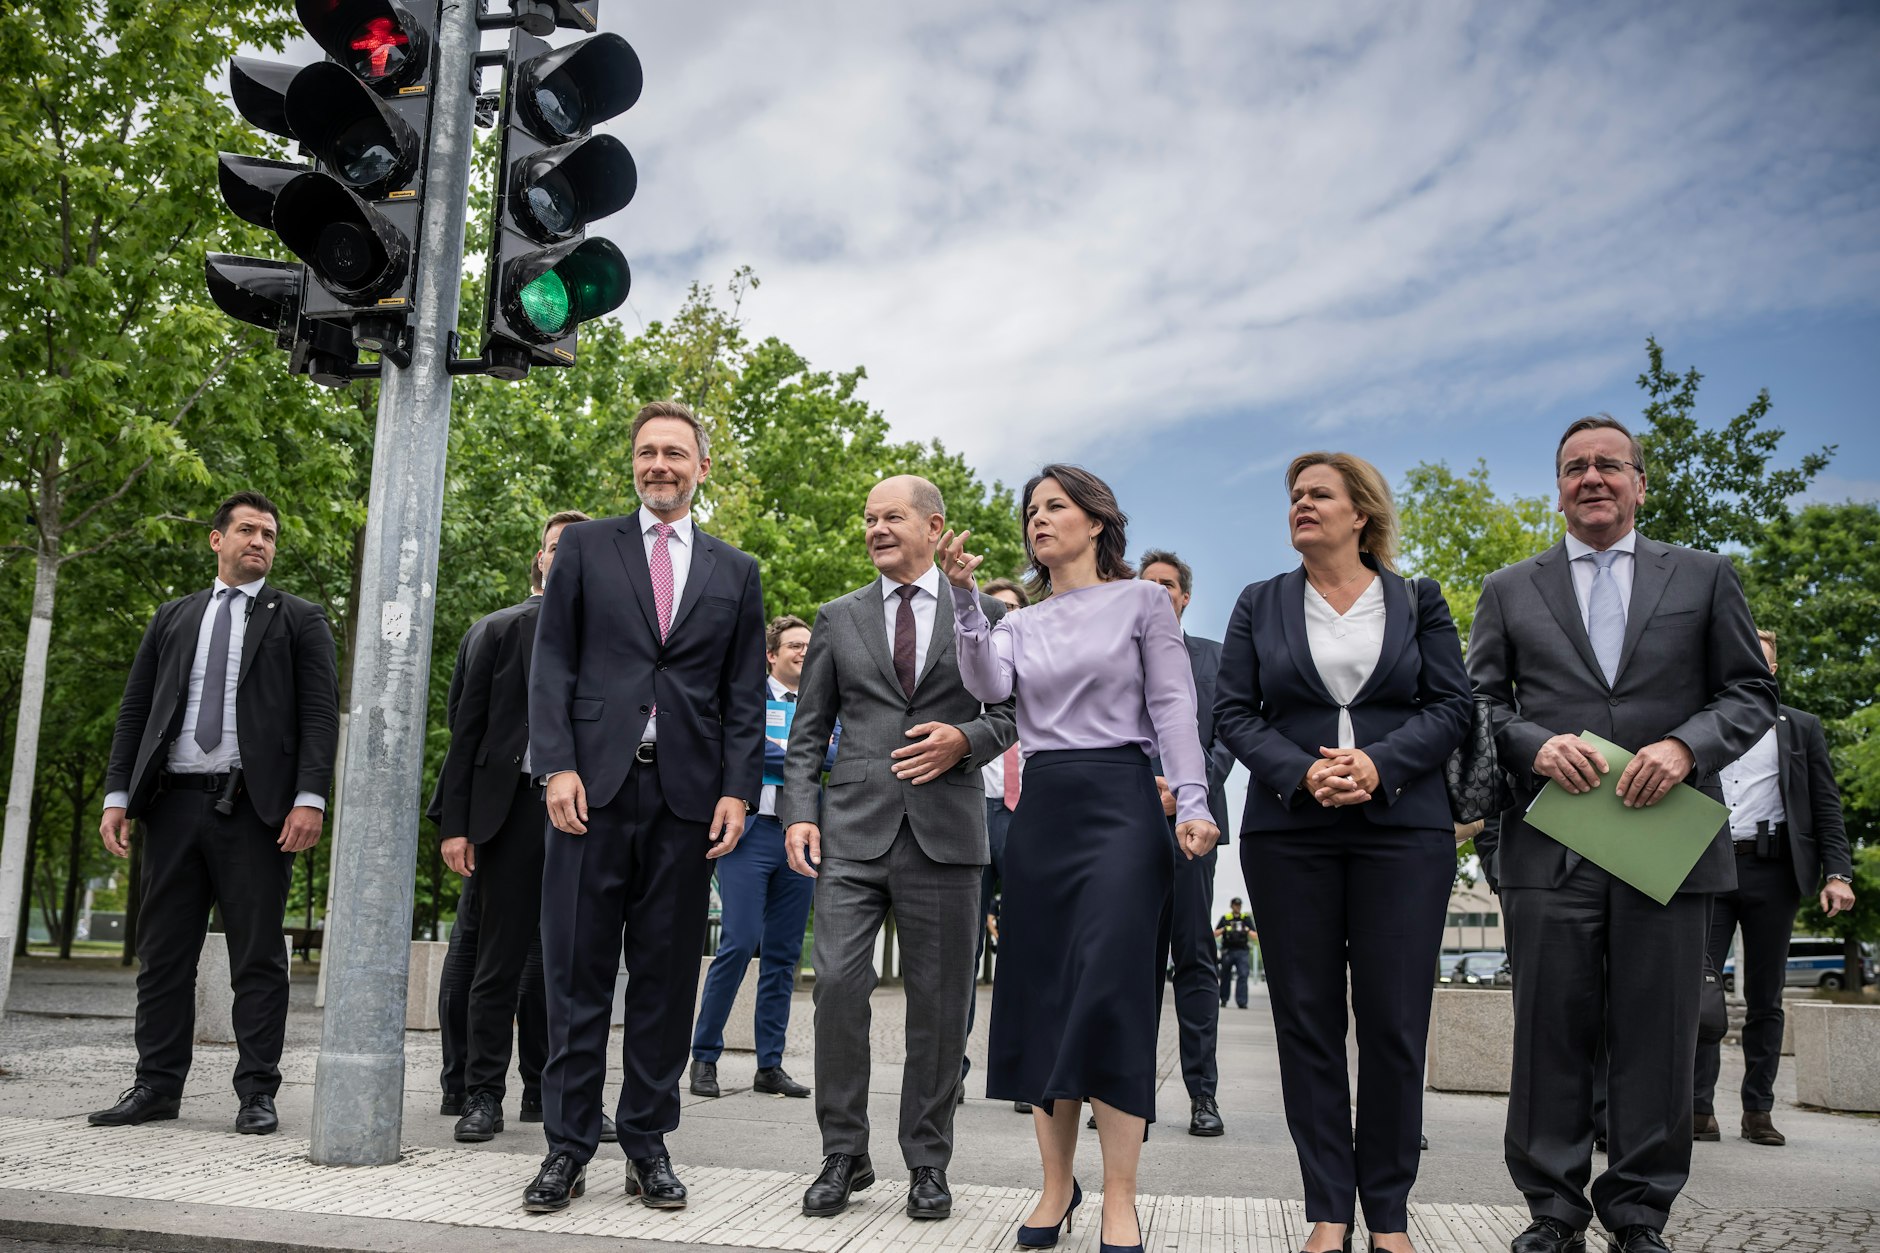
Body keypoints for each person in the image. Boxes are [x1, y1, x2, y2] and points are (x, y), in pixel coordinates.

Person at [1468, 414, 1776, 1253]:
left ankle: (1639, 1211)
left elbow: (1751, 694)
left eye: (1610, 464)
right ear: (1558, 486)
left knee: (1659, 1033)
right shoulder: (1508, 589)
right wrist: (1536, 743)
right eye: (1575, 467)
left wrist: (1685, 747)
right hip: (1549, 849)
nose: (1592, 477)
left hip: (1665, 846)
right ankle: (1552, 1209)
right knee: (1549, 1032)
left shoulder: (1708, 577)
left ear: (1641, 481)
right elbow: (1480, 705)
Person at [941, 463, 1219, 1253]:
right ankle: (1057, 1186)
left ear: (1096, 520)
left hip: (1124, 804)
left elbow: (1173, 704)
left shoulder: (1141, 601)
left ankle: (1121, 1198)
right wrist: (966, 599)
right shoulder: (1019, 621)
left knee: (1111, 992)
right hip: (1046, 807)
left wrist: (1193, 802)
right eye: (1031, 509)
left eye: (1054, 506)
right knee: (1044, 996)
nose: (1038, 518)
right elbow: (987, 682)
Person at [1214, 452, 1471, 1253]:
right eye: (1293, 495)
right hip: (1292, 833)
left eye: (1318, 494)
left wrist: (1380, 763)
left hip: (1404, 830)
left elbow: (1452, 704)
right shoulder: (1260, 603)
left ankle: (1387, 1214)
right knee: (1308, 1021)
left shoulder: (1418, 599)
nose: (1301, 505)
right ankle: (1329, 1207)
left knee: (1395, 1020)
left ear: (1360, 511)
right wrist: (1302, 772)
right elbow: (1233, 711)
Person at [522, 402, 767, 1214]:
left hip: (687, 800)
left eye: (674, 453)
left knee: (663, 979)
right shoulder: (588, 547)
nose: (658, 464)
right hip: (589, 792)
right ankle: (567, 1145)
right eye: (645, 452)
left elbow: (740, 695)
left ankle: (648, 1142)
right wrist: (555, 764)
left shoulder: (737, 571)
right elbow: (551, 661)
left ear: (703, 467)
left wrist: (737, 789)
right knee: (576, 972)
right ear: (633, 463)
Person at [780, 475, 1018, 1222]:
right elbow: (807, 730)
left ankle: (927, 1160)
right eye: (868, 518)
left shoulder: (989, 613)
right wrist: (798, 812)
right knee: (840, 989)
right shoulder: (837, 617)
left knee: (940, 1007)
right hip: (851, 831)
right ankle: (843, 1153)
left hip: (946, 835)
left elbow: (1014, 712)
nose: (875, 528)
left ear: (933, 525)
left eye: (891, 517)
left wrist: (965, 740)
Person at [92, 491, 339, 1136]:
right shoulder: (173, 617)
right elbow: (136, 710)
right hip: (171, 806)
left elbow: (318, 717)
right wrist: (119, 794)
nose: (260, 542)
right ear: (216, 540)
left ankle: (257, 1091)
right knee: (163, 954)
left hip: (255, 812)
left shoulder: (300, 619)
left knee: (257, 959)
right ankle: (156, 1085)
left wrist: (310, 798)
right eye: (248, 531)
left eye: (270, 535)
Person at [428, 510, 588, 1143]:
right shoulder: (498, 632)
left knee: (569, 964)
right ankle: (482, 1094)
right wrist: (456, 824)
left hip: (579, 815)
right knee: (495, 963)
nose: (566, 556)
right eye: (556, 547)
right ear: (541, 559)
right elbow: (464, 732)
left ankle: (549, 1094)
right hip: (509, 812)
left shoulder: (610, 636)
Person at [1693, 628, 1856, 1147]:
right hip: (1709, 868)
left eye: (1757, 660)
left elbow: (1825, 804)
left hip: (1773, 871)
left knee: (1766, 998)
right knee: (1700, 993)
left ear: (1773, 671)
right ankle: (1698, 1111)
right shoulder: (1701, 725)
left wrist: (1838, 873)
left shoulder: (1801, 729)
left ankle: (1757, 1111)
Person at [689, 615, 837, 1101]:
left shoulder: (825, 703)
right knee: (739, 941)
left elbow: (835, 755)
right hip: (749, 836)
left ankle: (769, 1064)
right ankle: (704, 1056)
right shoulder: (748, 698)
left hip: (800, 838)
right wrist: (802, 753)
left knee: (783, 954)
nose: (803, 652)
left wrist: (788, 752)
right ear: (772, 655)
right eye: (795, 645)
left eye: (810, 647)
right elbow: (746, 752)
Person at [1139, 548, 1237, 1138]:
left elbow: (1231, 734)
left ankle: (1204, 1096)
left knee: (1195, 960)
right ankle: (1127, 1093)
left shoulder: (1217, 660)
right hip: (1124, 828)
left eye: (1167, 584)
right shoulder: (1116, 657)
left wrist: (1189, 787)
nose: (1156, 591)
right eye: (1146, 583)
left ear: (1184, 597)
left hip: (1192, 828)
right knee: (1133, 965)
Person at [970, 576, 1029, 1115]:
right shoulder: (966, 665)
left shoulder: (1036, 667)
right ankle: (953, 1070)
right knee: (962, 948)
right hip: (971, 812)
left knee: (1027, 947)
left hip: (1028, 812)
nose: (1002, 616)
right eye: (994, 609)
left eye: (1012, 609)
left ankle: (1023, 1070)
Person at [1214, 898, 1255, 1009]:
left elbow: (1255, 936)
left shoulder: (1245, 919)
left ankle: (1242, 1002)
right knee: (1225, 975)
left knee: (1243, 975)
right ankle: (1223, 999)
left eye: (1239, 905)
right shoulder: (1226, 918)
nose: (1237, 907)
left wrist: (1246, 929)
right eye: (1235, 905)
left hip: (1242, 951)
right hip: (1228, 951)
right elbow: (1215, 933)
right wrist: (1225, 929)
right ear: (1231, 906)